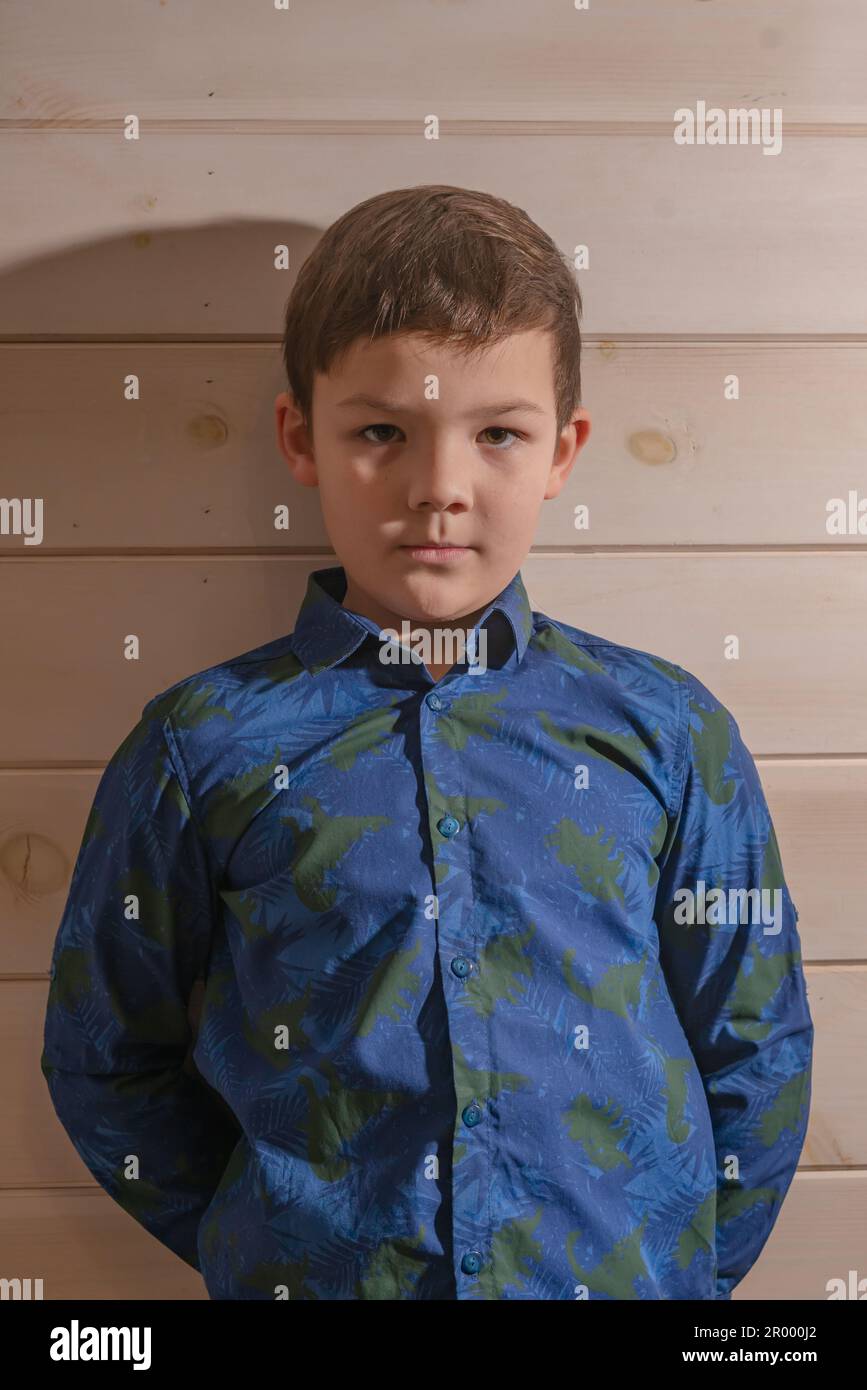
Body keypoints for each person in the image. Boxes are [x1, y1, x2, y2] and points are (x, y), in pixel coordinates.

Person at [41, 184, 813, 1300]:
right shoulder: (198, 746)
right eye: (382, 433)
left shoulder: (671, 731)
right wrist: (276, 1247)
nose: (439, 489)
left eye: (498, 433)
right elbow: (105, 1056)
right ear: (301, 437)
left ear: (563, 450)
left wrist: (675, 1274)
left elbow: (758, 1042)